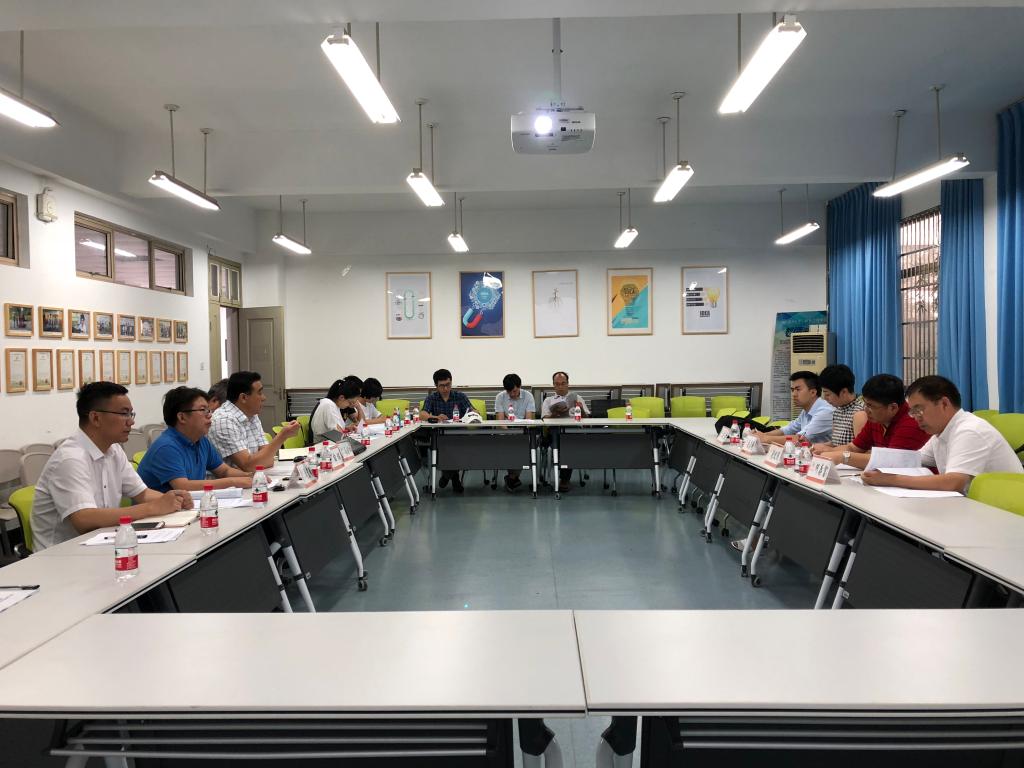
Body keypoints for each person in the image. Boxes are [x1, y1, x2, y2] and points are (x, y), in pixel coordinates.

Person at [31, 382, 193, 550]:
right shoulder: (70, 459)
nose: (131, 422)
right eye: (124, 414)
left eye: (131, 414)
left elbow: (143, 494)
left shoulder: (114, 450)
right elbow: (84, 520)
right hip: (62, 554)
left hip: (102, 543)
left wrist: (175, 500)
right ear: (95, 418)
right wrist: (153, 507)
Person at [862, 375, 1023, 494]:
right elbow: (912, 459)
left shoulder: (969, 430)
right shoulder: (941, 433)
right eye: (912, 412)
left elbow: (954, 482)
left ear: (944, 403)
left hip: (1005, 512)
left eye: (919, 410)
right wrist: (874, 469)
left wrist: (891, 479)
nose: (915, 417)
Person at [138, 387, 253, 493]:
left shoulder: (201, 440)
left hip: (188, 505)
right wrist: (233, 482)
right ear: (182, 417)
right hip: (160, 508)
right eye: (203, 410)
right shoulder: (166, 447)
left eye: (209, 410)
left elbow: (224, 471)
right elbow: (183, 486)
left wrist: (251, 476)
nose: (210, 415)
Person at [816, 373, 928, 469]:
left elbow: (890, 462)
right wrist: (826, 452)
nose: (866, 410)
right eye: (865, 403)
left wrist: (842, 457)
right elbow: (853, 448)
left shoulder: (911, 423)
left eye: (870, 406)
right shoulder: (876, 419)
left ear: (892, 407)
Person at [209, 371, 301, 471]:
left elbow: (268, 460)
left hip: (253, 477)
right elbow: (248, 466)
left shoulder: (252, 415)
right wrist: (282, 436)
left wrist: (260, 460)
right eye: (259, 393)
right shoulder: (223, 421)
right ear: (243, 397)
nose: (264, 398)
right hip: (232, 481)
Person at [421, 368, 475, 492]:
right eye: (442, 386)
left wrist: (472, 413)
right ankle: (454, 477)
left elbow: (472, 411)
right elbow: (422, 414)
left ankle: (447, 475)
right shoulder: (432, 398)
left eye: (448, 384)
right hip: (440, 436)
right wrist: (436, 417)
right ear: (436, 386)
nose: (446, 388)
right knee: (445, 448)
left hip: (459, 434)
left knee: (458, 448)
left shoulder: (460, 396)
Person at [540, 372, 590, 490]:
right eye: (557, 384)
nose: (560, 387)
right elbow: (544, 420)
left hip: (573, 432)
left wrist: (581, 410)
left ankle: (564, 478)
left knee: (569, 441)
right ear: (553, 385)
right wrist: (554, 414)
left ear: (568, 384)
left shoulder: (577, 398)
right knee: (562, 439)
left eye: (563, 383)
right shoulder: (548, 400)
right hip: (554, 432)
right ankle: (564, 478)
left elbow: (587, 420)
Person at [757, 371, 834, 445]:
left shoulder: (825, 412)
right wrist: (763, 435)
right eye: (792, 390)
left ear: (813, 392)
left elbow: (800, 439)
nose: (794, 394)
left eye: (798, 389)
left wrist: (765, 438)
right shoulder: (806, 410)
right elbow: (788, 429)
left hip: (826, 454)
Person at [494, 373, 536, 491]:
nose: (512, 394)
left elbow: (529, 420)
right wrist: (509, 433)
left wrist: (518, 433)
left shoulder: (528, 396)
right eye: (509, 392)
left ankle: (512, 477)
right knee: (510, 443)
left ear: (520, 386)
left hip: (523, 431)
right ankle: (513, 478)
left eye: (514, 391)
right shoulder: (500, 397)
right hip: (506, 432)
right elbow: (500, 422)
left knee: (521, 444)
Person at [812, 364, 867, 449]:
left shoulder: (860, 413)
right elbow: (836, 443)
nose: (824, 398)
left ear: (844, 392)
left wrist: (829, 450)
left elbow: (860, 449)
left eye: (827, 394)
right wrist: (815, 446)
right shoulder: (838, 411)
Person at [310, 377, 363, 443]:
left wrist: (346, 428)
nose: (350, 405)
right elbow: (337, 434)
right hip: (322, 445)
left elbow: (332, 430)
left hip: (330, 443)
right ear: (341, 397)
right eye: (350, 402)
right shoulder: (328, 405)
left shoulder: (335, 406)